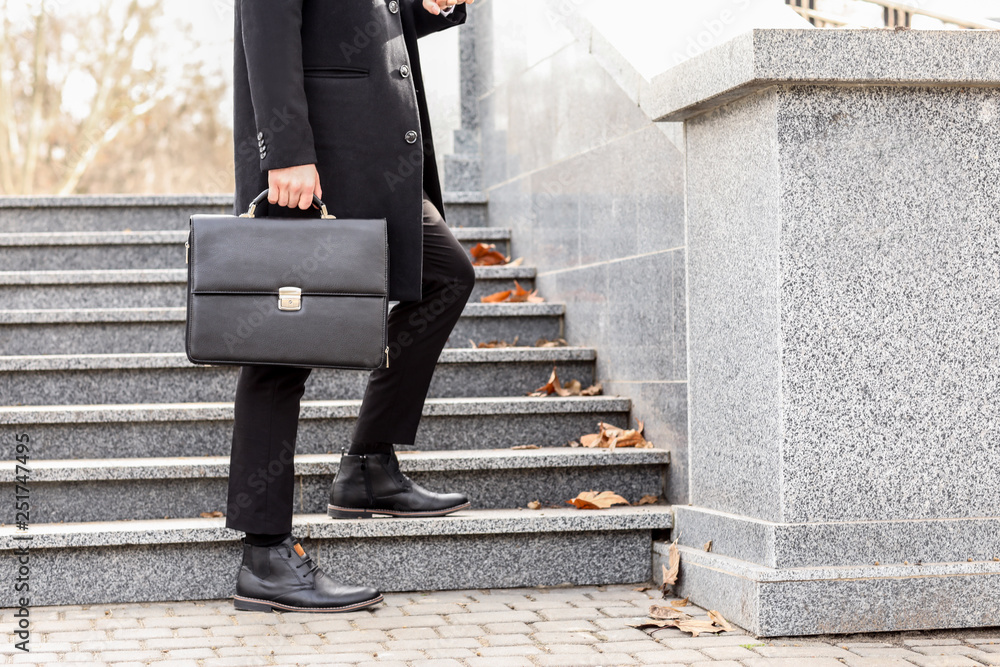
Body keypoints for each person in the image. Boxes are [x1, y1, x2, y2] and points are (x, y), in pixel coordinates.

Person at [225, 0, 476, 613]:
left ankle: (368, 467)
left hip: (375, 156)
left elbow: (356, 25)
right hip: (314, 160)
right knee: (281, 350)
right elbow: (266, 23)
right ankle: (265, 555)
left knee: (446, 276)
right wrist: (284, 148)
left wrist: (423, 7)